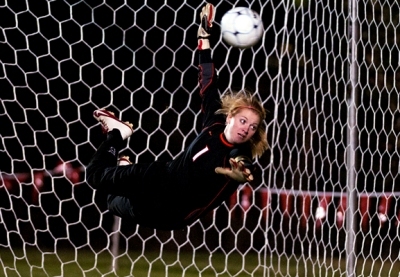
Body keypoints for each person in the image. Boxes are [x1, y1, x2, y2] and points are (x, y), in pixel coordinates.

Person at [86, 3, 268, 231]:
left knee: (113, 202)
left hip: (171, 214)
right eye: (243, 121)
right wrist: (204, 38)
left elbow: (243, 161)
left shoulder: (237, 154)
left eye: (253, 127)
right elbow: (208, 83)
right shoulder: (216, 122)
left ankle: (121, 152)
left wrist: (243, 172)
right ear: (230, 116)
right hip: (157, 178)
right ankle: (118, 134)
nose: (247, 129)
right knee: (95, 178)